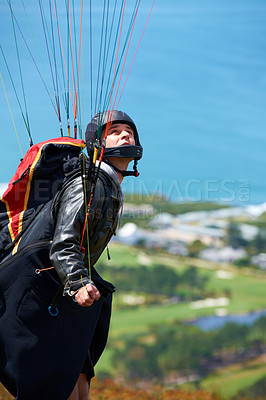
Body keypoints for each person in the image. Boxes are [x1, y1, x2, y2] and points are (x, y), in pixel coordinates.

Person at [0, 110, 143, 400]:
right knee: (57, 390)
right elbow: (64, 240)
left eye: (129, 131)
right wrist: (78, 282)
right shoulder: (87, 183)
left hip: (55, 286)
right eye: (114, 131)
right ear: (98, 144)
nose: (125, 134)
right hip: (36, 285)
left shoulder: (106, 184)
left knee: (78, 386)